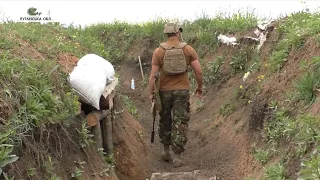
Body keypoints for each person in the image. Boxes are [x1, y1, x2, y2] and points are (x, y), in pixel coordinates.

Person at [148, 22, 203, 167]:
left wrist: (151, 93)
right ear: (178, 33)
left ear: (166, 34)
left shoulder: (158, 52)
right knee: (180, 122)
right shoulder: (188, 50)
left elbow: (153, 77)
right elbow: (198, 71)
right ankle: (177, 156)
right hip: (182, 91)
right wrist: (199, 87)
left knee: (165, 120)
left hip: (164, 92)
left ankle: (166, 151)